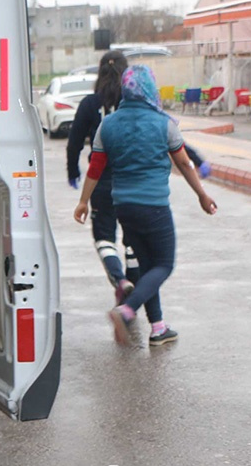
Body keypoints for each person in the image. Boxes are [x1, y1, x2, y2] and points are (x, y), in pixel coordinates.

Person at [73, 66, 217, 346]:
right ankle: (126, 311)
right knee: (163, 264)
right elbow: (184, 162)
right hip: (153, 206)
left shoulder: (109, 124)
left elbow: (95, 167)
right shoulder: (164, 124)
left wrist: (82, 201)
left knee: (148, 266)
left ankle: (158, 328)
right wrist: (201, 194)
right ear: (151, 89)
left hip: (124, 207)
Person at [67, 51, 133, 303]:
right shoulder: (134, 101)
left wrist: (73, 172)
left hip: (102, 183)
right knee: (132, 239)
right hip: (132, 181)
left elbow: (74, 143)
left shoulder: (90, 104)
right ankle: (131, 294)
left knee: (104, 236)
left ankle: (120, 279)